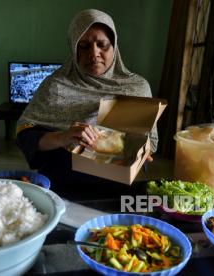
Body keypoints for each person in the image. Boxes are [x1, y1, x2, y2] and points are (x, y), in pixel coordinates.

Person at [16, 9, 158, 197]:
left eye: (102, 45)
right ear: (73, 48)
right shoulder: (55, 86)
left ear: (114, 46)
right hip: (62, 186)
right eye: (83, 46)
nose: (94, 54)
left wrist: (141, 149)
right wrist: (63, 137)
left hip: (117, 189)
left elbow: (151, 143)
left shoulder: (137, 88)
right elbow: (25, 135)